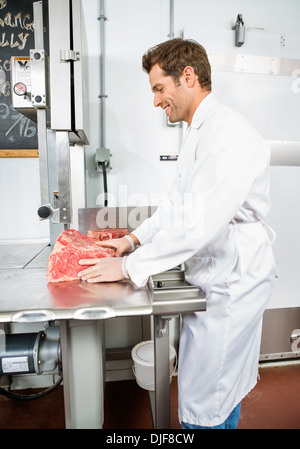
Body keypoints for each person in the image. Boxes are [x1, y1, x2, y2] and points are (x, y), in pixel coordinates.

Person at [78, 38, 276, 429]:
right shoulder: (198, 131)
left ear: (188, 77)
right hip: (217, 275)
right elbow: (175, 207)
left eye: (159, 89)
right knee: (218, 388)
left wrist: (131, 267)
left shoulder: (227, 133)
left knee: (208, 398)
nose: (155, 102)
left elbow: (198, 224)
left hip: (232, 281)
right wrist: (132, 241)